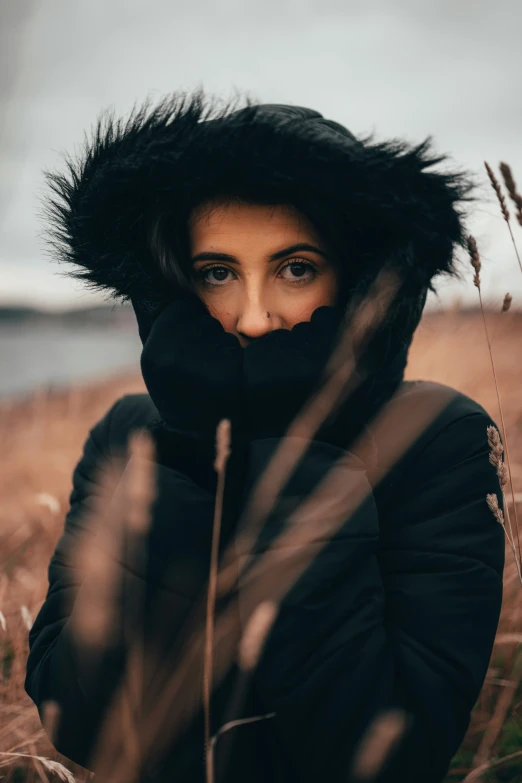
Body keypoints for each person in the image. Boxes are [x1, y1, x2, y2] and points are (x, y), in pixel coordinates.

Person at [25, 88, 505, 783]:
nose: (252, 318)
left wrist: (289, 448)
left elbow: (393, 755)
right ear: (174, 286)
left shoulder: (437, 438)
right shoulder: (128, 434)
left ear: (358, 278)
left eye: (295, 268)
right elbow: (78, 717)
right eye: (217, 273)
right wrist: (193, 452)